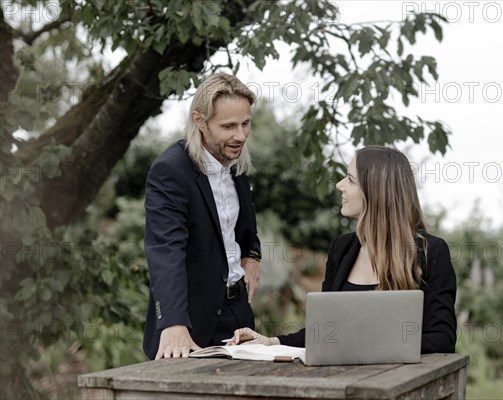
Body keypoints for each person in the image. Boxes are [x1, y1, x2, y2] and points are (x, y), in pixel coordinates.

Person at [229, 146, 457, 353]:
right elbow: (323, 332)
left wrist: (361, 341)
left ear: (375, 191)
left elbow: (442, 338)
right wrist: (270, 342)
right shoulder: (342, 248)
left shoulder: (430, 252)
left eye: (350, 179)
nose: (339, 185)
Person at [143, 73, 262, 360]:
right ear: (199, 120)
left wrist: (253, 255)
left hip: (239, 315)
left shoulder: (236, 164)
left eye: (245, 123)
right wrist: (173, 322)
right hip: (189, 321)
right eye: (228, 126)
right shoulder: (170, 171)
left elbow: (243, 228)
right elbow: (165, 250)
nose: (241, 135)